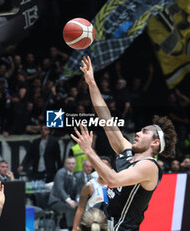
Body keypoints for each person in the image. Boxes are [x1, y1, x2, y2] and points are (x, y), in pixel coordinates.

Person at [72, 56, 177, 231]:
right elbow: (105, 118)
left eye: (144, 132)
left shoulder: (149, 167)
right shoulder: (127, 151)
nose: (137, 133)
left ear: (155, 142)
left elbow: (113, 180)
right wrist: (91, 83)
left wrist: (89, 151)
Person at [72, 157, 111, 231]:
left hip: (109, 223)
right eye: (100, 166)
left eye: (105, 166)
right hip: (91, 224)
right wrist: (74, 228)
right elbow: (80, 208)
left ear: (110, 168)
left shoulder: (116, 185)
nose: (102, 169)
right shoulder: (89, 186)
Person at [48, 156, 78, 230]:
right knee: (70, 208)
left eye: (73, 163)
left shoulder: (74, 175)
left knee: (79, 207)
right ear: (65, 164)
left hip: (66, 201)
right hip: (56, 201)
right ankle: (71, 228)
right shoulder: (61, 172)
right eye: (69, 163)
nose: (71, 165)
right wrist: (69, 201)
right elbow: (60, 189)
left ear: (75, 165)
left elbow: (76, 190)